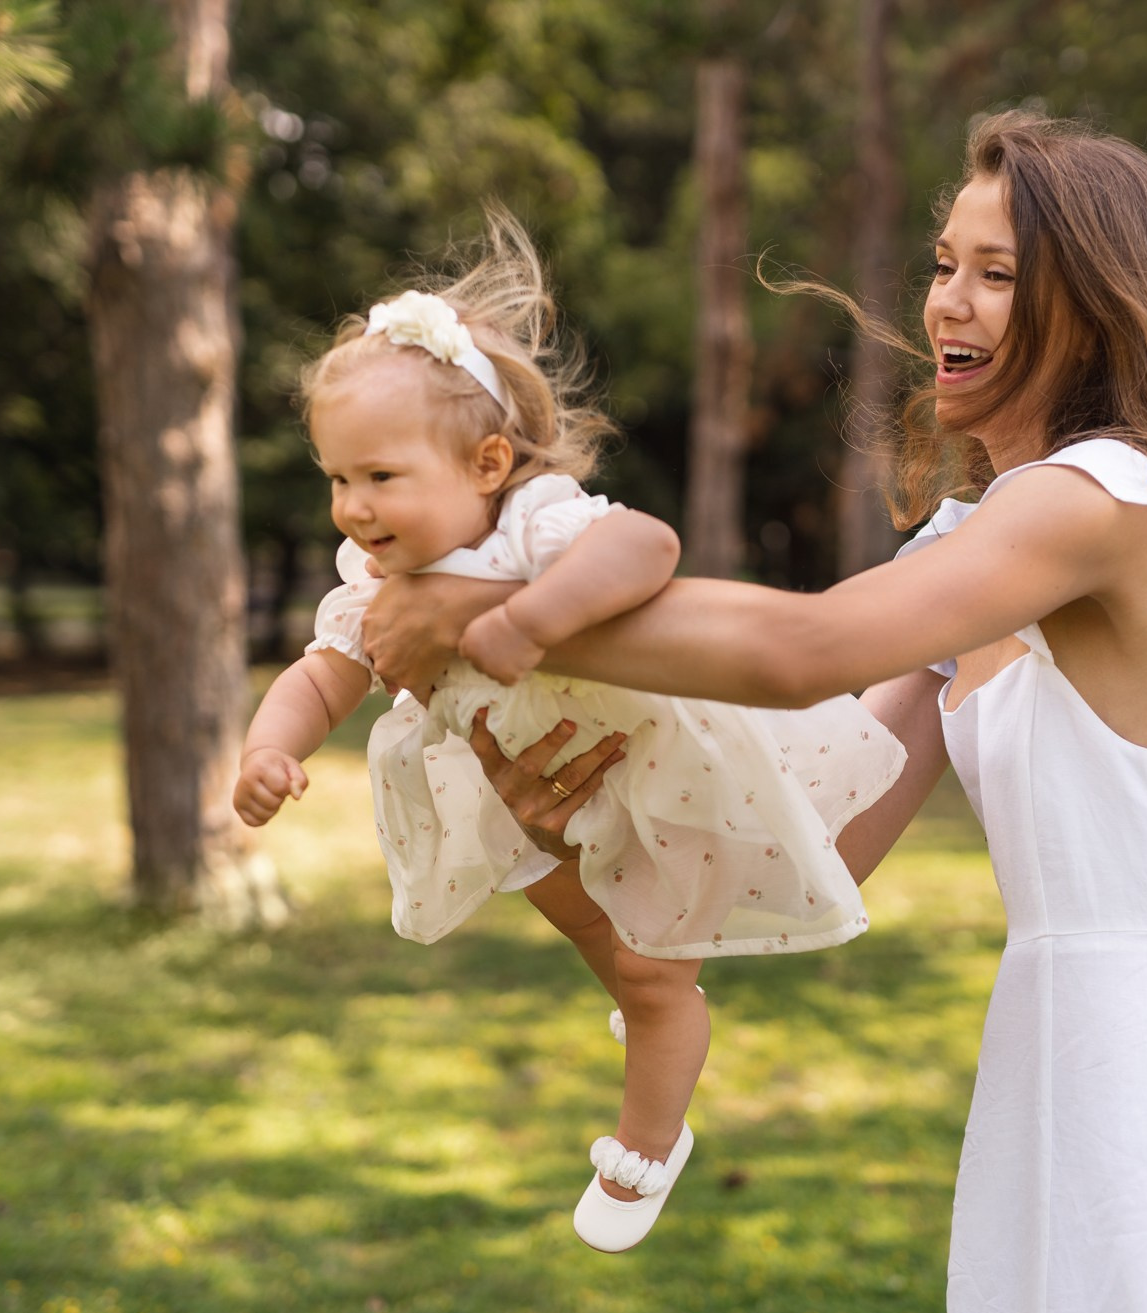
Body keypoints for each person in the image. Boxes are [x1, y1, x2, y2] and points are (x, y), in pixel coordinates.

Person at [359, 114, 1147, 1313]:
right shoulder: (980, 536)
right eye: (943, 264)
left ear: (1098, 305)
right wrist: (559, 828)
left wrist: (486, 607)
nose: (948, 304)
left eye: (998, 274)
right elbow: (807, 839)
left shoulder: (1100, 502)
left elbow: (805, 650)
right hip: (1059, 1060)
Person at [230, 215, 906, 1253]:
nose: (352, 508)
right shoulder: (368, 587)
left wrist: (528, 616)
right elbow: (320, 677)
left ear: (488, 460)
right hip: (515, 813)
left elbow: (645, 544)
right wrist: (270, 749)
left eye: (379, 476)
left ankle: (648, 1139)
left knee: (652, 973)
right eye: (337, 479)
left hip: (642, 776)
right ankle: (650, 1032)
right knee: (612, 954)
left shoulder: (532, 523)